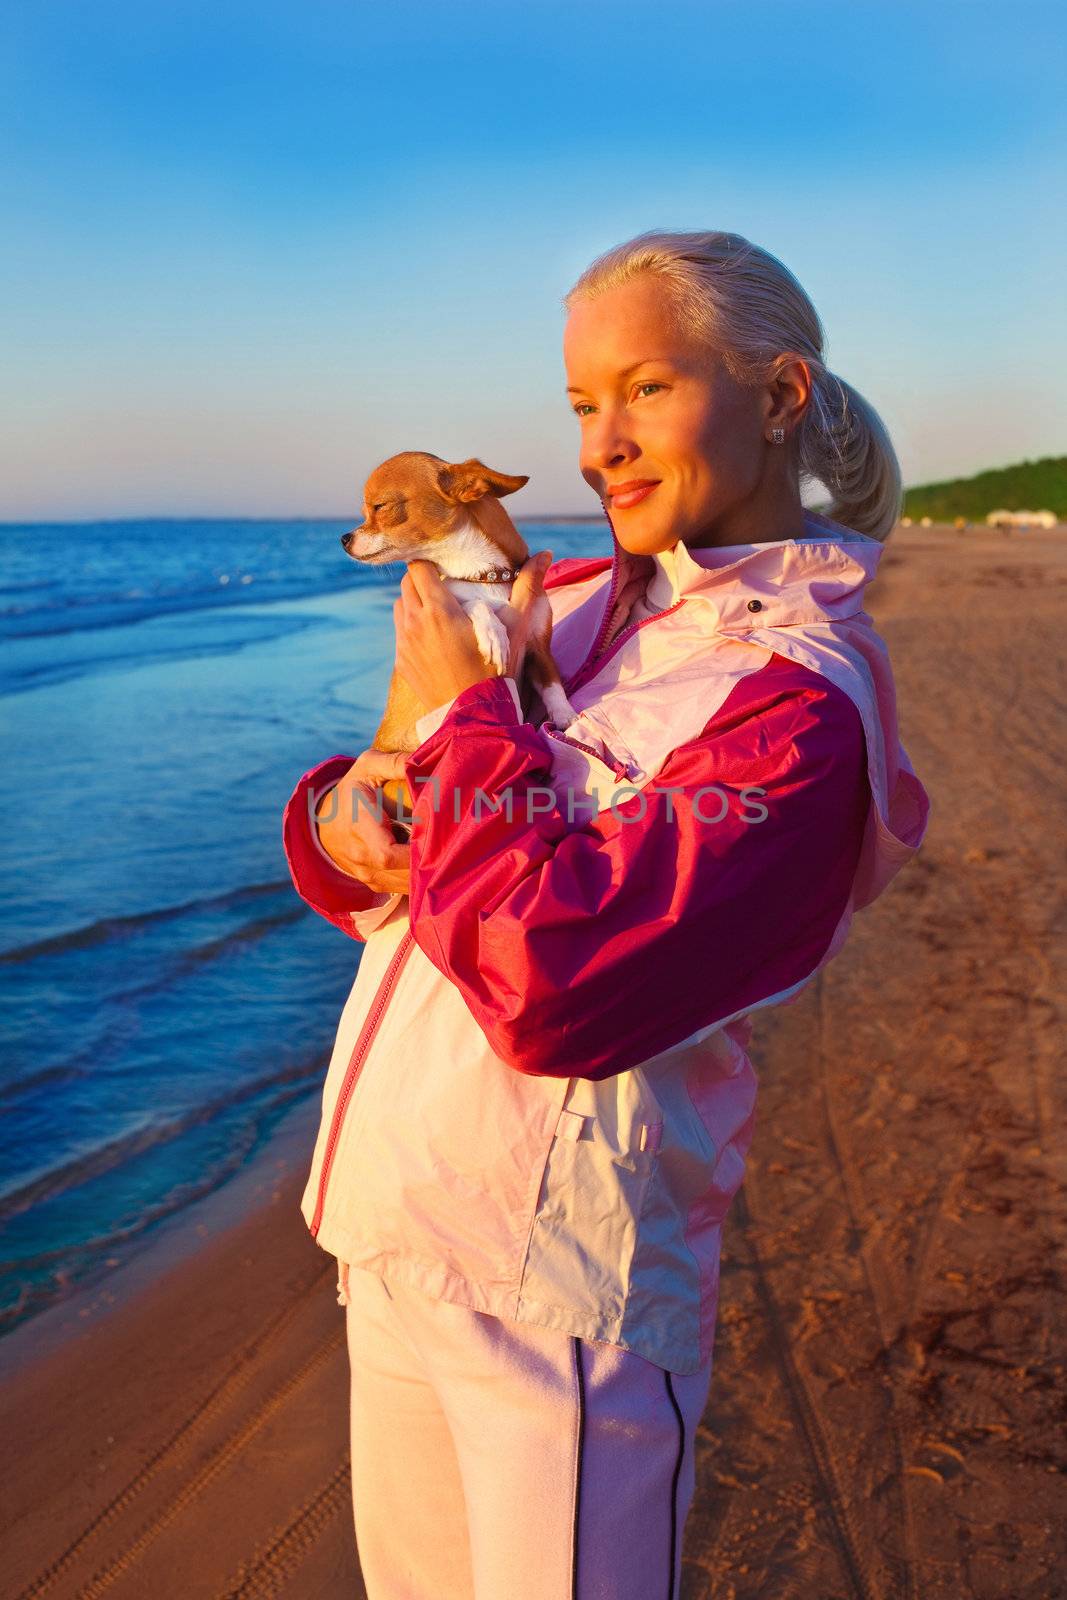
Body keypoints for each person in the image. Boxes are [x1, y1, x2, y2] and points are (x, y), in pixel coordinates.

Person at [282, 229, 931, 1600]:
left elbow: (560, 980)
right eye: (584, 403)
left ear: (777, 394)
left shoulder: (800, 705)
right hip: (390, 1225)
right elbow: (381, 853)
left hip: (556, 1287)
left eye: (647, 389)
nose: (602, 446)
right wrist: (349, 820)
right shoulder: (557, 605)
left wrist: (470, 717)